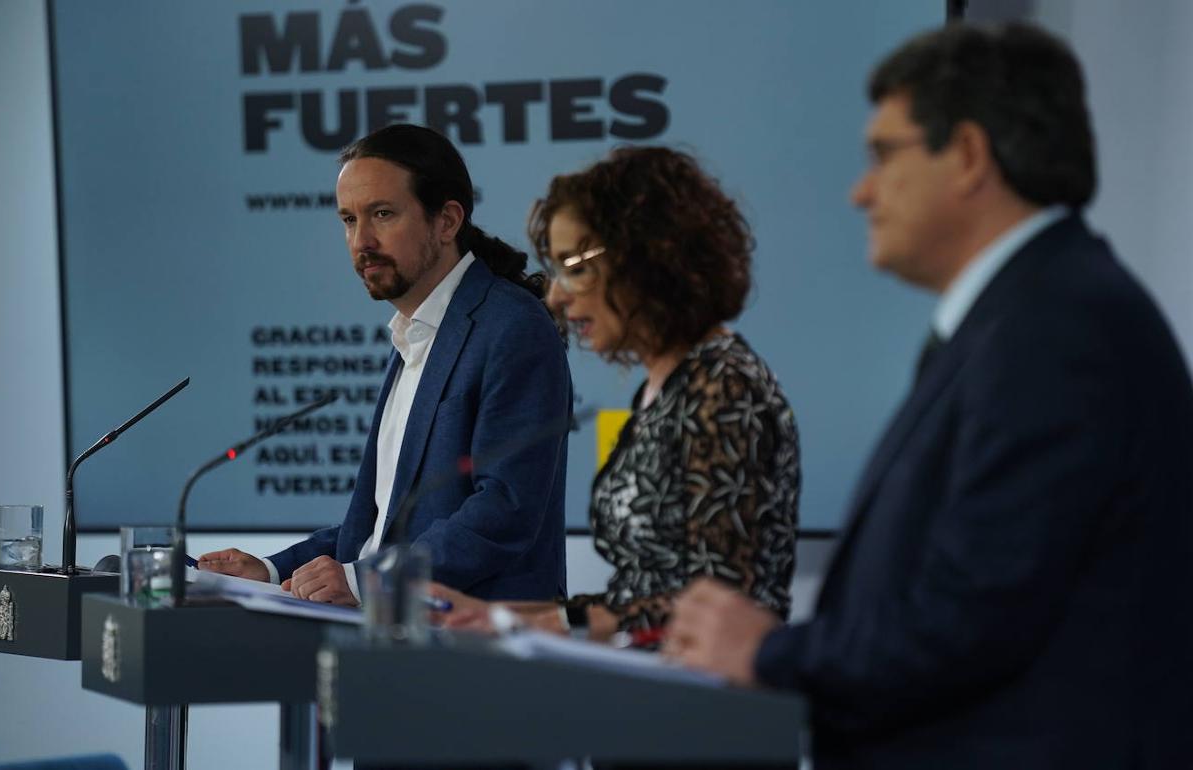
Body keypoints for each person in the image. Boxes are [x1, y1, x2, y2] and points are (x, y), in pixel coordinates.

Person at [665, 22, 1193, 769]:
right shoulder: (1029, 315)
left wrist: (771, 653)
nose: (861, 192)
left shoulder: (1056, 331)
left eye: (884, 154)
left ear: (970, 155)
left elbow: (966, 622)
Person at [435, 146, 800, 641]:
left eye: (576, 266)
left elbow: (721, 605)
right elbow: (647, 589)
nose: (557, 295)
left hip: (709, 702)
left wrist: (547, 622)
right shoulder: (666, 388)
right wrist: (502, 616)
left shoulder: (724, 388)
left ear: (650, 260)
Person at [199, 124, 572, 604]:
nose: (362, 241)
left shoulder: (512, 327)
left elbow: (504, 510)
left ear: (447, 221)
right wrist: (273, 572)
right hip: (397, 640)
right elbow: (379, 529)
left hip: (479, 646)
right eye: (349, 220)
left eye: (382, 214)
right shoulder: (414, 335)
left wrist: (367, 582)